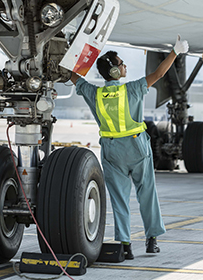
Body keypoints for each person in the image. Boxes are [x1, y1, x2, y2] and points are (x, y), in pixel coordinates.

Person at [70, 35, 189, 259]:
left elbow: (74, 77)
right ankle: (152, 240)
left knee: (119, 199)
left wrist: (79, 55)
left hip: (112, 151)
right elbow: (159, 74)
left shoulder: (94, 94)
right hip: (137, 148)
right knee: (147, 194)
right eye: (121, 63)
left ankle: (125, 245)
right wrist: (175, 52)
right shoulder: (132, 89)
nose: (125, 65)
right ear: (115, 72)